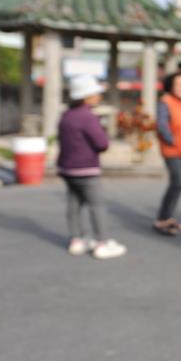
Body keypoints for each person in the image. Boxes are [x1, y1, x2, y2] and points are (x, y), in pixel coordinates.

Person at [57, 74, 125, 259]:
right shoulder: (88, 117)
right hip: (86, 169)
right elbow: (102, 144)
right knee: (97, 205)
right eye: (96, 93)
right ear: (86, 96)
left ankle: (76, 240)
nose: (98, 96)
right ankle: (102, 243)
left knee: (74, 204)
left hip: (67, 168)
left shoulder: (66, 115)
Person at [153, 72, 181, 236]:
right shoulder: (166, 102)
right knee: (176, 182)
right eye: (179, 84)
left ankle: (168, 217)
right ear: (171, 87)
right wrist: (174, 141)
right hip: (173, 150)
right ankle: (162, 219)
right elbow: (162, 125)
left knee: (180, 184)